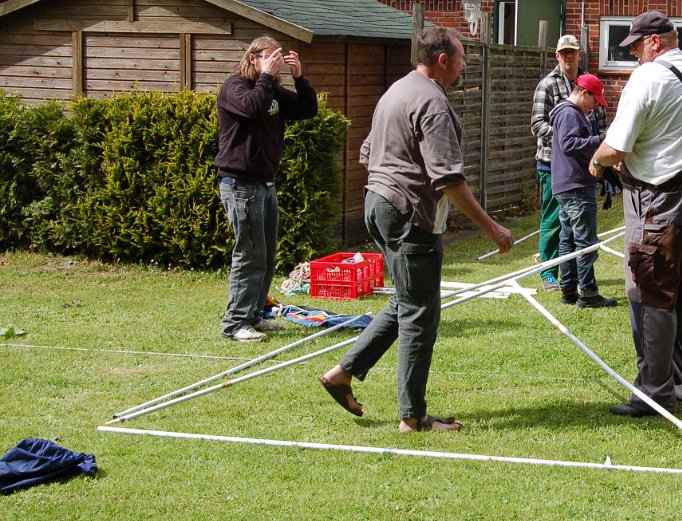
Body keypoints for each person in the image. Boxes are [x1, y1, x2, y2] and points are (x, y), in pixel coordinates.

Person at [317, 27, 514, 432]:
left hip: (378, 203)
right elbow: (449, 181)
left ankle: (343, 372)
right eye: (461, 58)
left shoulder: (397, 90)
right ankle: (413, 417)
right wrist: (491, 228)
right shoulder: (433, 103)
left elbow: (366, 153)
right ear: (443, 60)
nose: (463, 66)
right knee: (421, 314)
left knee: (408, 301)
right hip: (407, 215)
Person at [588, 11, 682, 417]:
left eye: (635, 48)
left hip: (662, 199)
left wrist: (596, 163)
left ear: (654, 42)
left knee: (651, 294)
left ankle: (654, 392)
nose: (634, 57)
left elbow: (617, 147)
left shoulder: (649, 77)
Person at [215, 35, 318, 342]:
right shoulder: (235, 87)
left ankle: (255, 315)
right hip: (240, 185)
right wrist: (265, 77)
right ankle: (235, 324)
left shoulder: (270, 89)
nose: (276, 63)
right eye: (270, 57)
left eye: (279, 57)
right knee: (249, 255)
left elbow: (306, 109)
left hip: (265, 183)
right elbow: (252, 109)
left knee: (266, 254)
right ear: (253, 59)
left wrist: (299, 78)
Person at [530, 34, 607, 291]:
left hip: (581, 164)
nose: (568, 56)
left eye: (572, 52)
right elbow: (537, 125)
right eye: (563, 52)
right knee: (554, 220)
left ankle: (568, 281)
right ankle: (549, 272)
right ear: (557, 55)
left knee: (568, 227)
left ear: (579, 55)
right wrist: (566, 135)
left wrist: (603, 151)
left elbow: (599, 121)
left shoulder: (589, 83)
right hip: (551, 162)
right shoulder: (547, 85)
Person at [550, 73, 618, 309]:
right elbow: (569, 145)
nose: (595, 107)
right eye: (595, 101)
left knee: (568, 240)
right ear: (584, 92)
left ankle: (568, 290)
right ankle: (588, 293)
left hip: (566, 184)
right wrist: (601, 140)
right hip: (577, 185)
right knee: (585, 241)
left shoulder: (565, 112)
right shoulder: (570, 113)